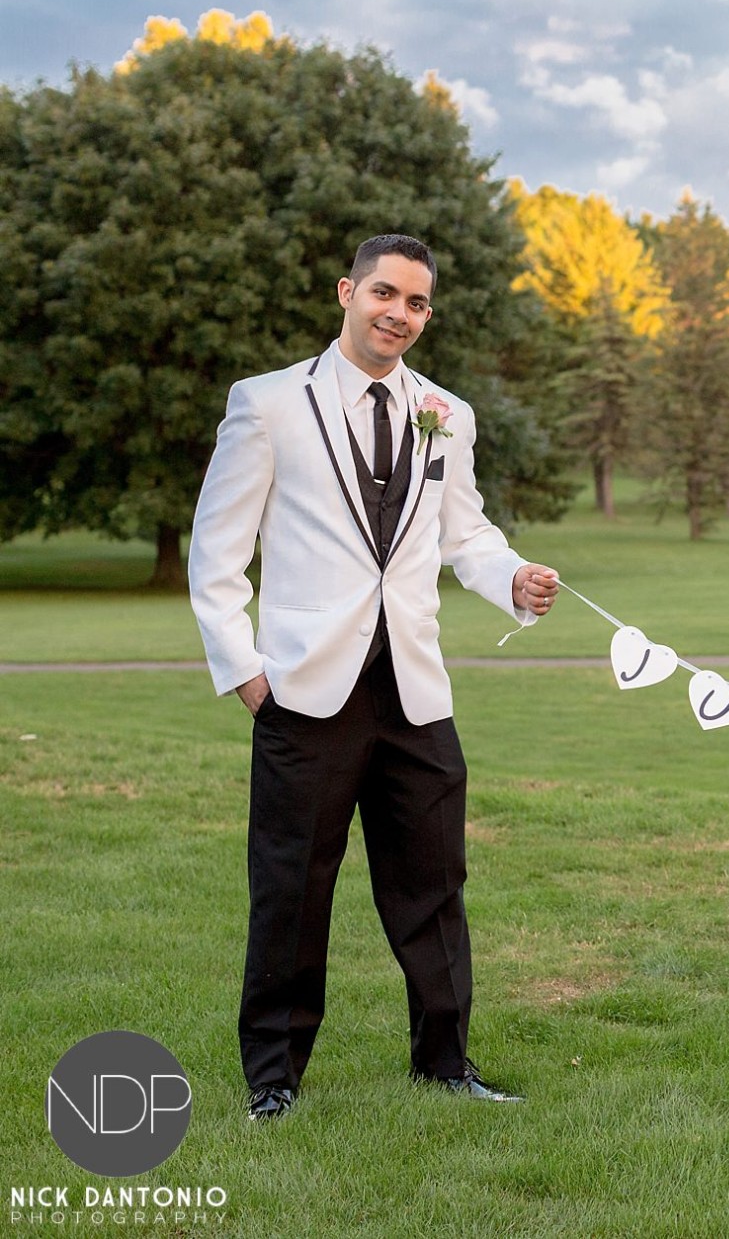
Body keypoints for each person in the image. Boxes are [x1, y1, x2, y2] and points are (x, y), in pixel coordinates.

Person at [189, 233, 561, 1122]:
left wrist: (511, 578)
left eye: (417, 302)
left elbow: (465, 533)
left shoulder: (446, 413)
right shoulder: (268, 403)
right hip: (303, 690)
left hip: (415, 689)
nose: (400, 313)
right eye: (385, 293)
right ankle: (274, 1079)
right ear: (347, 293)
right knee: (291, 885)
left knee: (435, 882)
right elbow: (216, 552)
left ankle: (446, 1063)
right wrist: (245, 672)